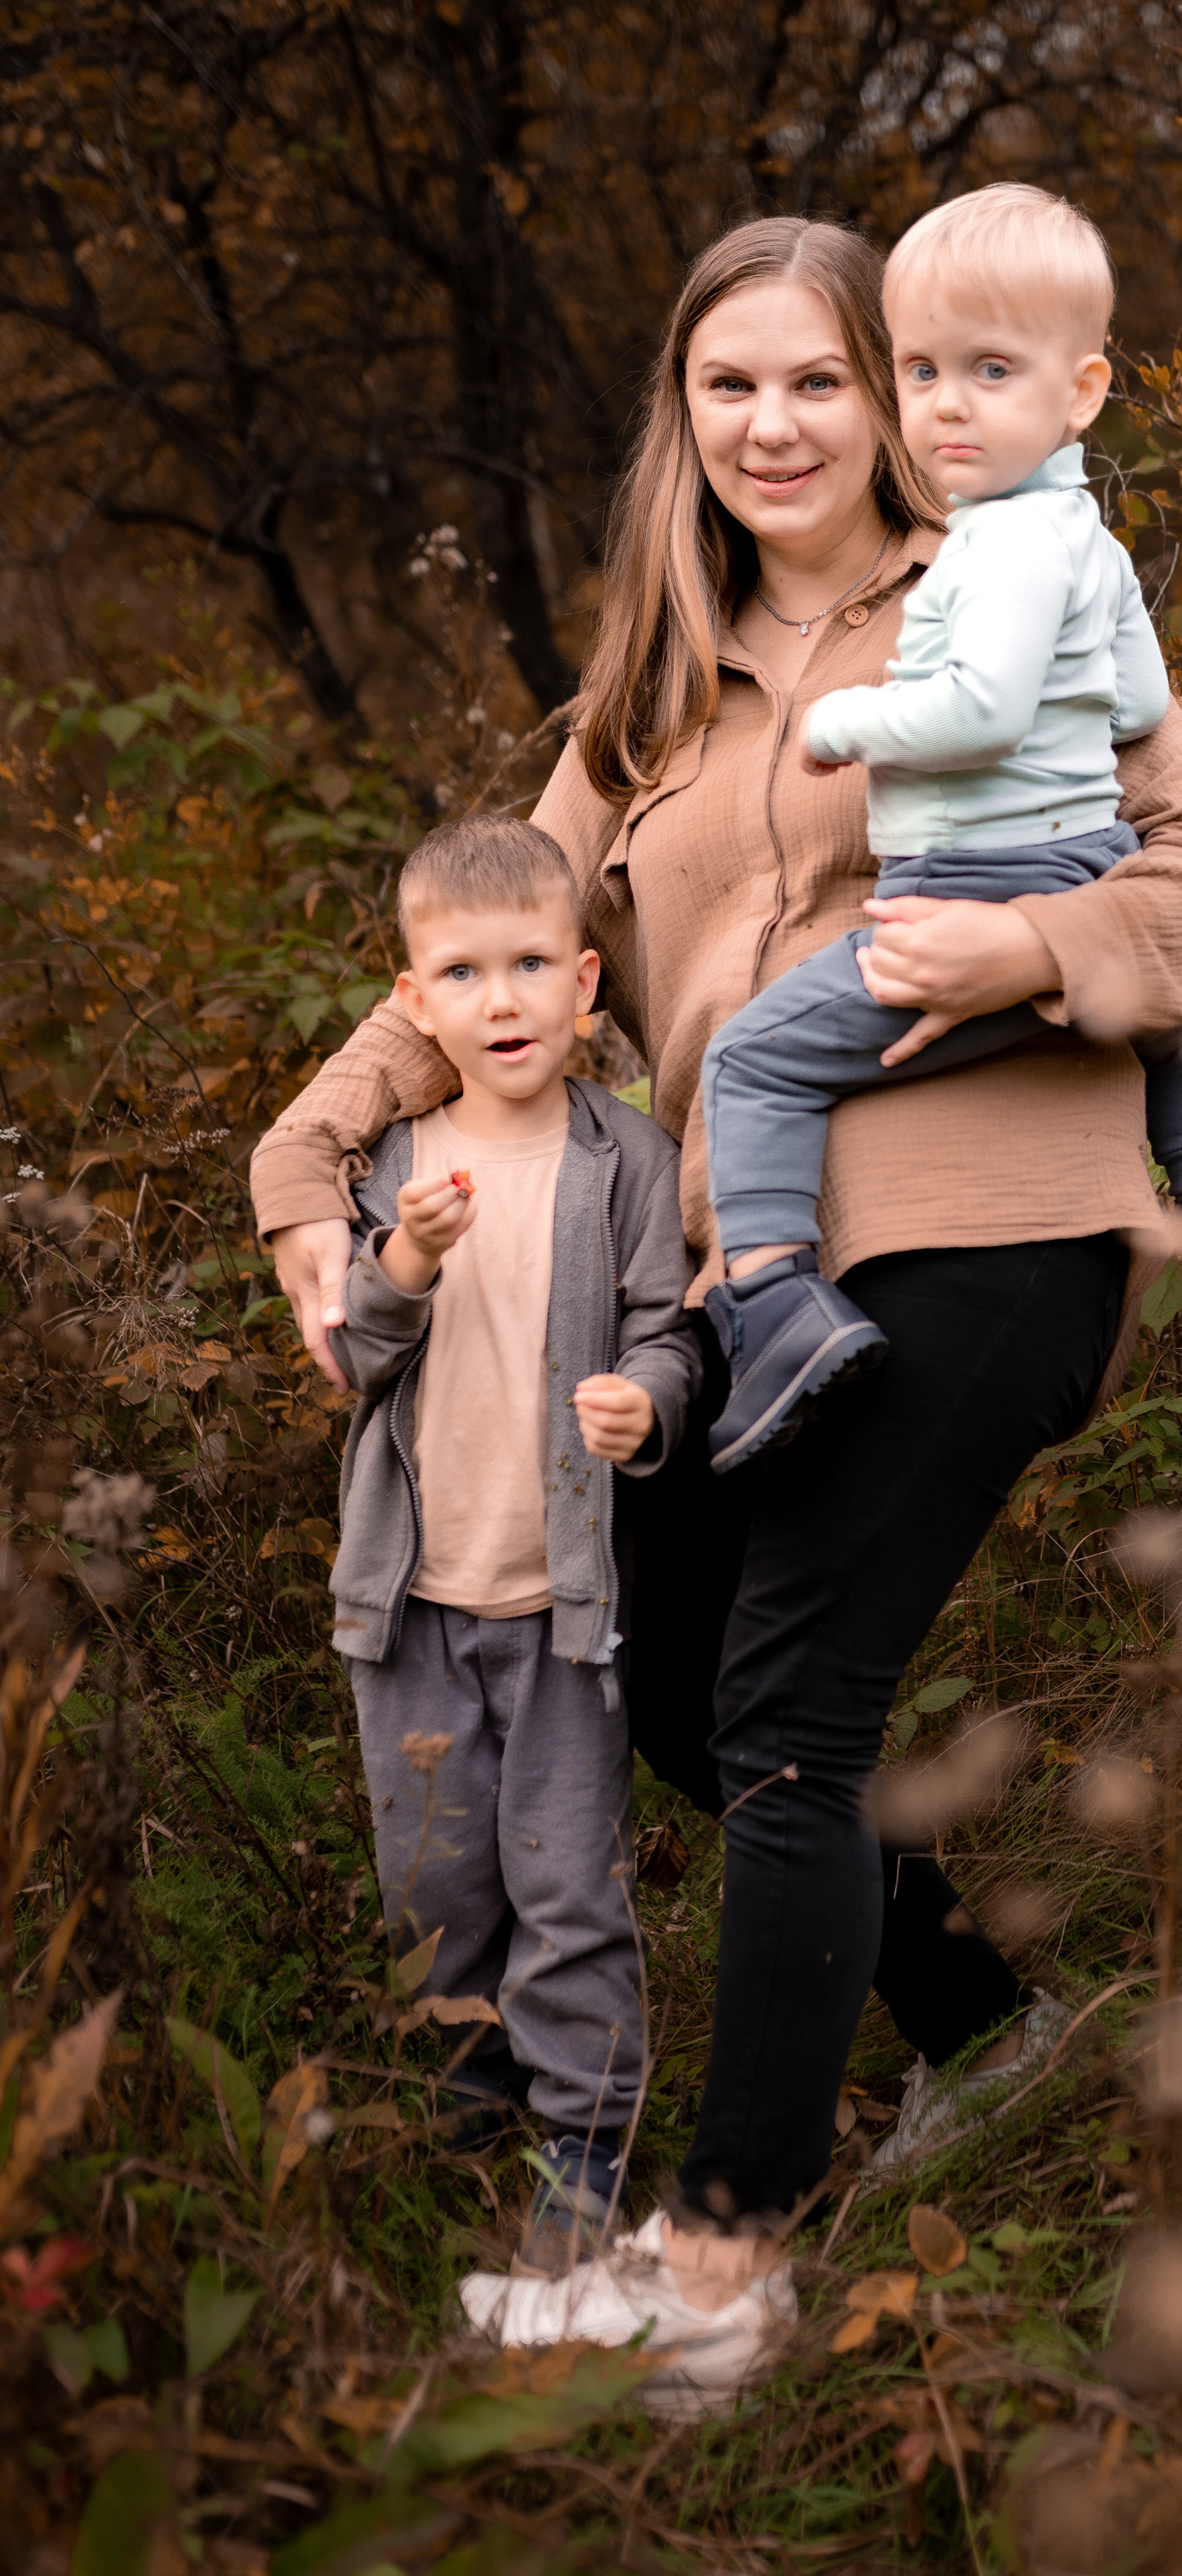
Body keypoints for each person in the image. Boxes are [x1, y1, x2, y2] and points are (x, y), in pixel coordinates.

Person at [250, 210, 1182, 2417]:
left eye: (819, 377)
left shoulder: (1011, 589)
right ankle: (998, 2032)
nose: (778, 422)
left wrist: (1029, 956)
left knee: (798, 1707)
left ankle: (714, 2262)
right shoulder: (648, 687)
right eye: (731, 384)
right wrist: (299, 1176)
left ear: (899, 397)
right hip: (753, 1279)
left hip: (993, 1228)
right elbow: (475, 964)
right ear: (683, 419)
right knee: (671, 1673)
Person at [696, 184, 1182, 1473]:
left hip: (981, 1197)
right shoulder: (1081, 542)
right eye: (923, 371)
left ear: (1080, 393)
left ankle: (774, 1304)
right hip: (1069, 851)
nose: (948, 403)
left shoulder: (986, 553)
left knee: (750, 1062)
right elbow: (1125, 692)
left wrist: (1038, 939)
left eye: (825, 381)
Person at [324, 815, 700, 2276]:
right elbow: (355, 1359)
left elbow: (676, 1330)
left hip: (564, 1606)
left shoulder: (626, 1160)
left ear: (585, 983)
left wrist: (647, 1400)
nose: (503, 999)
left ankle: (583, 2149)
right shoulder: (398, 1165)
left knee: (562, 1883)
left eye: (532, 964)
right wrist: (404, 1258)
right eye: (464, 972)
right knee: (433, 1883)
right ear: (413, 1003)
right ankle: (462, 2111)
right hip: (412, 1603)